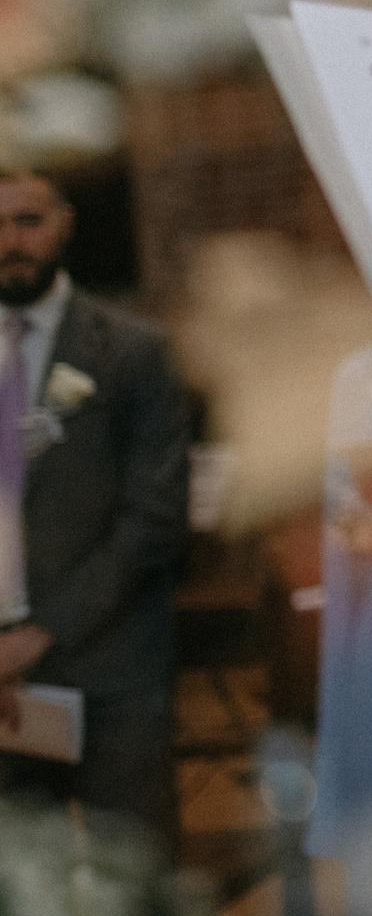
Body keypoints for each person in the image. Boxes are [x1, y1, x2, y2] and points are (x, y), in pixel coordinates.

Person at [0, 166, 190, 849]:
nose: (11, 241)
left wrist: (41, 633)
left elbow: (156, 518)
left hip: (112, 668)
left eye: (28, 220)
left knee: (139, 880)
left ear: (65, 222)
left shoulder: (132, 350)